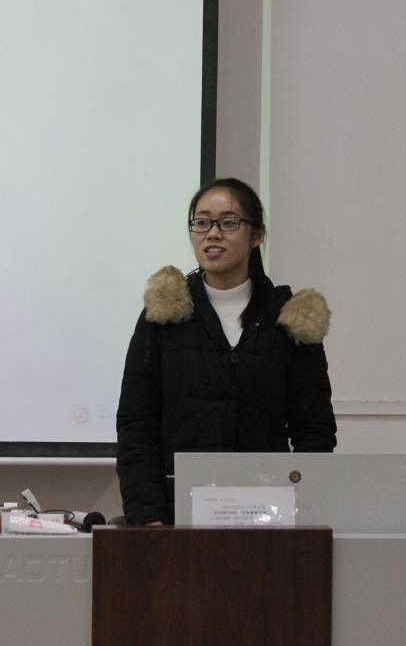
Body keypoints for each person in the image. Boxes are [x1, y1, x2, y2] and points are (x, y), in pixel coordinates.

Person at [115, 178, 337, 525]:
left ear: (257, 235)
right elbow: (136, 425)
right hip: (177, 515)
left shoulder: (290, 319)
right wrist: (148, 516)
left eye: (229, 222)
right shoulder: (162, 317)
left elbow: (315, 431)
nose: (212, 234)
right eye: (202, 222)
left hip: (268, 517)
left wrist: (303, 511)